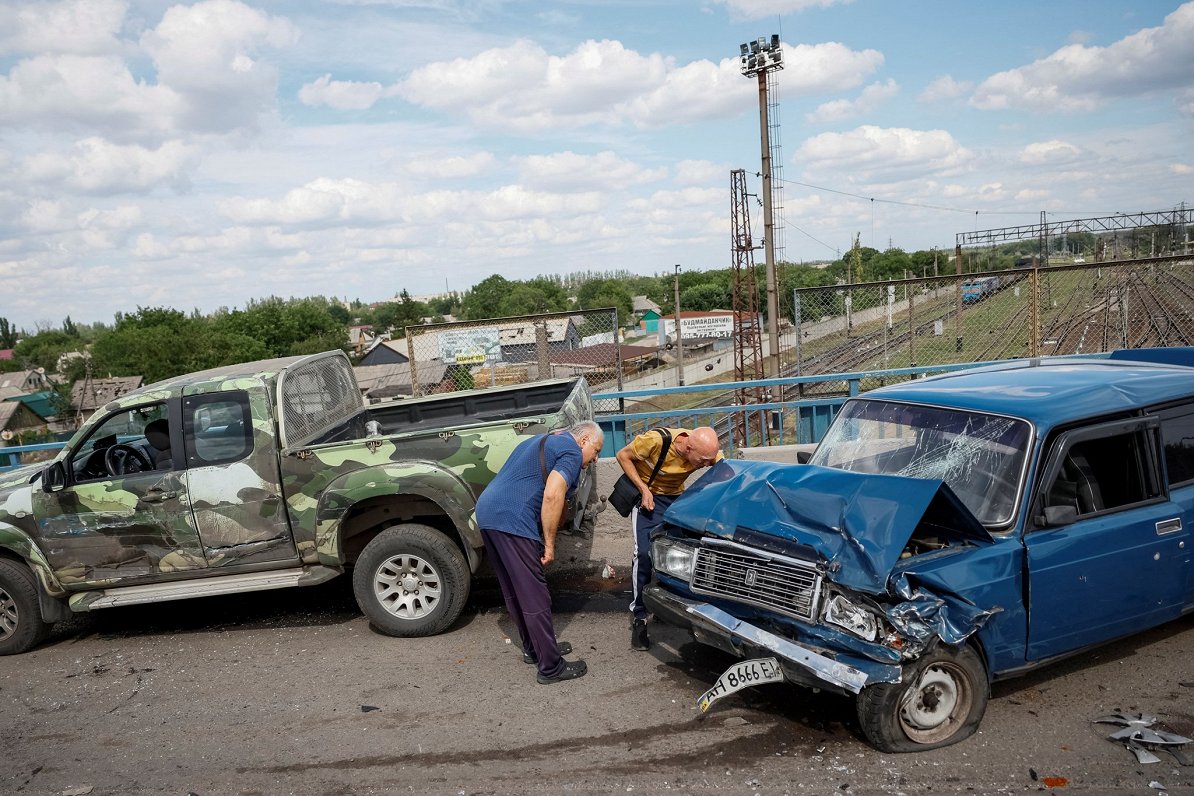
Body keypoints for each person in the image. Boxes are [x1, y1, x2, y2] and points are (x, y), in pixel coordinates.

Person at [474, 420, 604, 684]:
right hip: (513, 518)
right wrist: (549, 544)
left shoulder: (541, 440)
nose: (596, 459)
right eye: (597, 450)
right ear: (583, 440)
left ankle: (536, 649)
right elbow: (553, 496)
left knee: (514, 590)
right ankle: (551, 667)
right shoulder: (570, 451)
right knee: (535, 594)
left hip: (487, 512)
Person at [615, 426, 721, 651]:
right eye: (702, 460)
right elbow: (622, 455)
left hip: (676, 501)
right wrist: (643, 489)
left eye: (708, 461)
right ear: (688, 447)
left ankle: (671, 605)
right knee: (644, 554)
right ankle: (640, 617)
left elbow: (724, 470)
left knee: (686, 553)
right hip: (648, 499)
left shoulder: (704, 451)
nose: (705, 465)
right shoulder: (656, 441)